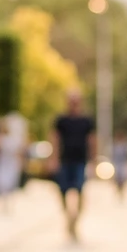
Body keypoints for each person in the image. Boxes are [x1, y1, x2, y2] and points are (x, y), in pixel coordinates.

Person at [50, 90, 95, 242]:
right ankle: (68, 217)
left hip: (80, 161)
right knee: (62, 192)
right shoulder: (61, 120)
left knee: (80, 191)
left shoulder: (86, 121)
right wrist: (53, 159)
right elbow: (54, 139)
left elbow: (92, 140)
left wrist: (94, 160)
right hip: (65, 161)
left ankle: (73, 222)